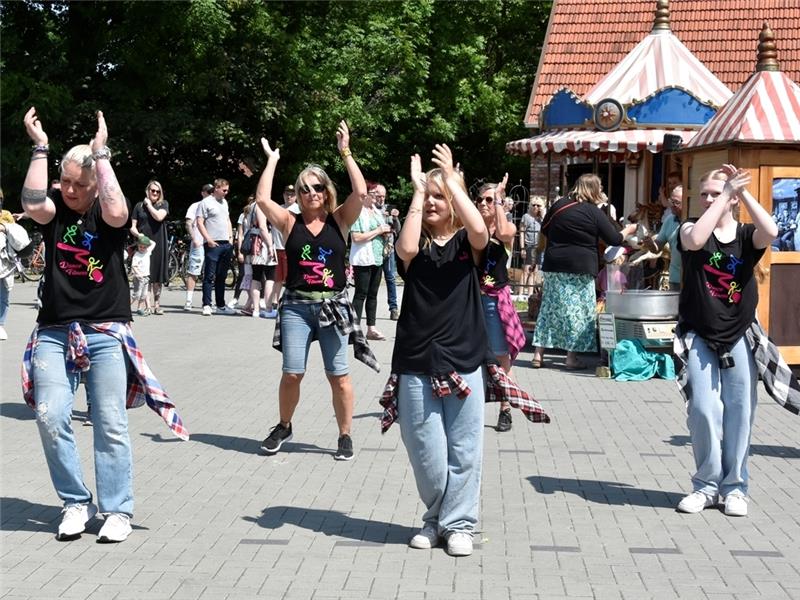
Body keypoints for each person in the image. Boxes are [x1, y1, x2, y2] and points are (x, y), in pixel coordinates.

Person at [19, 107, 187, 543]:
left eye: (80, 184)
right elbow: (32, 201)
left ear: (95, 183)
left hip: (106, 331)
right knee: (50, 414)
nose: (71, 190)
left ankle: (117, 511)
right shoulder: (55, 212)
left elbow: (115, 210)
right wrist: (40, 148)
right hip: (55, 330)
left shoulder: (109, 215)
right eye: (66, 182)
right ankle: (76, 502)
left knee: (110, 421)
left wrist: (102, 154)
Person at [379, 146, 548, 557]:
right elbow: (403, 249)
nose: (435, 202)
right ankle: (438, 516)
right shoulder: (415, 246)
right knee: (426, 453)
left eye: (441, 198)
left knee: (465, 450)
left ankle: (457, 526)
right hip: (416, 360)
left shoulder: (467, 246)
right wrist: (419, 191)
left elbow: (481, 231)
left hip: (464, 360)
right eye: (430, 197)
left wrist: (452, 181)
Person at [254, 121, 378, 461]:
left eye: (317, 188)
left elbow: (360, 193)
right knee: (292, 372)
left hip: (332, 307)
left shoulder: (340, 220)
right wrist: (272, 160)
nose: (311, 194)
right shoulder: (289, 222)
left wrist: (345, 151)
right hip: (295, 306)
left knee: (338, 377)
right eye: (305, 189)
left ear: (326, 192)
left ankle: (345, 434)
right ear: (298, 193)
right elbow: (262, 199)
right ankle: (283, 425)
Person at [674, 165, 780, 517]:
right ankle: (705, 486)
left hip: (739, 334)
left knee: (740, 412)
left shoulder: (746, 235)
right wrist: (721, 200)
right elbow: (695, 242)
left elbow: (772, 231)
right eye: (704, 193)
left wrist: (742, 192)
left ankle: (735, 488)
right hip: (699, 333)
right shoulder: (690, 226)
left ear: (732, 199)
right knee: (703, 409)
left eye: (714, 193)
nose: (707, 199)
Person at [531, 174, 636, 370]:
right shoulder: (593, 212)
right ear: (594, 189)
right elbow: (614, 238)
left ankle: (538, 355)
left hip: (554, 265)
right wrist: (628, 231)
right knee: (578, 313)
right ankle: (571, 359)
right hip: (581, 267)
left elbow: (545, 229)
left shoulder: (559, 205)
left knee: (549, 308)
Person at [475, 177, 526, 433]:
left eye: (489, 200)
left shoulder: (504, 230)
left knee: (500, 358)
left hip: (494, 300)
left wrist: (498, 203)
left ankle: (506, 407)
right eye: (481, 199)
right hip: (471, 300)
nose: (484, 204)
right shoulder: (471, 229)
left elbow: (506, 233)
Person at [349, 184, 391, 340]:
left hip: (377, 258)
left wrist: (386, 232)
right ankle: (354, 330)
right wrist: (379, 231)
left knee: (373, 295)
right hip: (363, 259)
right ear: (365, 194)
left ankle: (371, 329)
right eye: (374, 193)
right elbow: (356, 237)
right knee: (361, 294)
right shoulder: (357, 212)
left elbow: (382, 229)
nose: (377, 197)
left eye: (379, 194)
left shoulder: (376, 212)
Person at [196, 178, 235, 316]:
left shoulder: (224, 202)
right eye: (224, 190)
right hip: (213, 243)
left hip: (225, 243)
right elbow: (200, 222)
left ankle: (220, 305)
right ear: (217, 188)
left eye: (227, 190)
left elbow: (227, 220)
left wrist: (230, 238)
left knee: (222, 275)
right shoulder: (205, 203)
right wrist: (208, 239)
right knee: (209, 275)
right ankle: (207, 304)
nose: (226, 193)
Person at [129, 180, 169, 315]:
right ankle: (147, 305)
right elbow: (133, 225)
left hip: (158, 242)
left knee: (157, 274)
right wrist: (137, 233)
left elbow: (159, 217)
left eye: (158, 192)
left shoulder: (163, 204)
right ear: (147, 191)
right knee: (146, 274)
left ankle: (156, 304)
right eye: (153, 191)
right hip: (143, 243)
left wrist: (149, 205)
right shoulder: (138, 206)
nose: (155, 193)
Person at [643, 185, 683, 291]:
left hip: (694, 278)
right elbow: (657, 248)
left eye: (677, 202)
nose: (672, 205)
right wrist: (650, 243)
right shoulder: (669, 220)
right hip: (675, 278)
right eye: (671, 201)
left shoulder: (695, 220)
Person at [267, 184, 299, 317]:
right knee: (277, 278)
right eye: (287, 194)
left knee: (291, 277)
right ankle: (274, 303)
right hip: (277, 247)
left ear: (296, 196)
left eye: (292, 194)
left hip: (291, 248)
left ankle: (293, 302)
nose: (289, 196)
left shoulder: (298, 210)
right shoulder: (279, 208)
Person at [371, 183, 401, 320]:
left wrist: (395, 218)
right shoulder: (369, 210)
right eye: (379, 196)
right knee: (373, 281)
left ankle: (394, 308)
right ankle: (368, 309)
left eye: (383, 196)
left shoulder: (389, 208)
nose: (381, 199)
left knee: (390, 278)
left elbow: (398, 230)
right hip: (374, 248)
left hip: (388, 249)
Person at [183, 183, 213, 311]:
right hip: (199, 242)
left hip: (211, 243)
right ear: (203, 193)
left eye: (212, 192)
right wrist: (194, 238)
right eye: (208, 192)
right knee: (194, 271)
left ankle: (207, 302)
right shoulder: (195, 206)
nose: (210, 194)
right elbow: (188, 223)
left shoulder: (215, 205)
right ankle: (188, 301)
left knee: (210, 272)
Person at [519, 196, 545, 296]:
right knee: (526, 270)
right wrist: (522, 248)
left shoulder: (541, 218)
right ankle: (520, 294)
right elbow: (522, 232)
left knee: (534, 271)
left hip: (539, 246)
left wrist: (542, 216)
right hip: (528, 245)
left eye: (538, 205)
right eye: (533, 205)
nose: (535, 207)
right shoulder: (526, 216)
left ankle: (529, 294)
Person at [130, 234, 155, 316]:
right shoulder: (137, 255)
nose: (142, 248)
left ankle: (139, 308)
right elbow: (134, 266)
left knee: (144, 295)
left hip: (146, 276)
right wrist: (138, 274)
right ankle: (126, 308)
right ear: (138, 246)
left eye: (144, 247)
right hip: (138, 277)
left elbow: (153, 243)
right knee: (136, 294)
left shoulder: (148, 252)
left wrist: (143, 237)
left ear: (147, 247)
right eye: (140, 246)